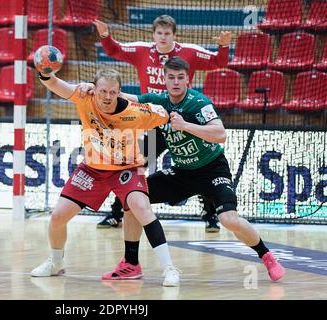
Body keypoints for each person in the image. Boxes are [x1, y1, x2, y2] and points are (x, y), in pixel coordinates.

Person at [100, 57, 285, 282]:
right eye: (171, 78)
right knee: (133, 197)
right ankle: (131, 264)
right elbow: (126, 97)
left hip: (212, 170)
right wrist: (94, 89)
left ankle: (266, 256)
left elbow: (221, 134)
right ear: (164, 80)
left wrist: (185, 126)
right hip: (182, 173)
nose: (176, 82)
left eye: (180, 78)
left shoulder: (199, 103)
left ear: (188, 79)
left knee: (229, 219)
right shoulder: (159, 102)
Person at [30, 68, 180, 286]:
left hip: (127, 168)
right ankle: (56, 262)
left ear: (120, 93)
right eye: (103, 91)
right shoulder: (84, 98)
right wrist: (45, 74)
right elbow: (58, 86)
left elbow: (165, 114)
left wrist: (168, 111)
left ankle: (169, 269)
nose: (107, 97)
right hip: (92, 169)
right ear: (94, 89)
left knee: (141, 208)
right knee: (57, 217)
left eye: (112, 92)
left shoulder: (136, 112)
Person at [93, 15, 232, 231]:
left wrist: (223, 46)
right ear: (153, 35)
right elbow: (115, 50)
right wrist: (104, 34)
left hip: (183, 120)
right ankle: (116, 212)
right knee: (136, 164)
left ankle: (210, 216)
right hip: (154, 124)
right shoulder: (142, 51)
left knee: (200, 164)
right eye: (159, 33)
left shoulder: (189, 52)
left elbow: (218, 62)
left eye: (167, 33)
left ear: (174, 35)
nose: (163, 37)